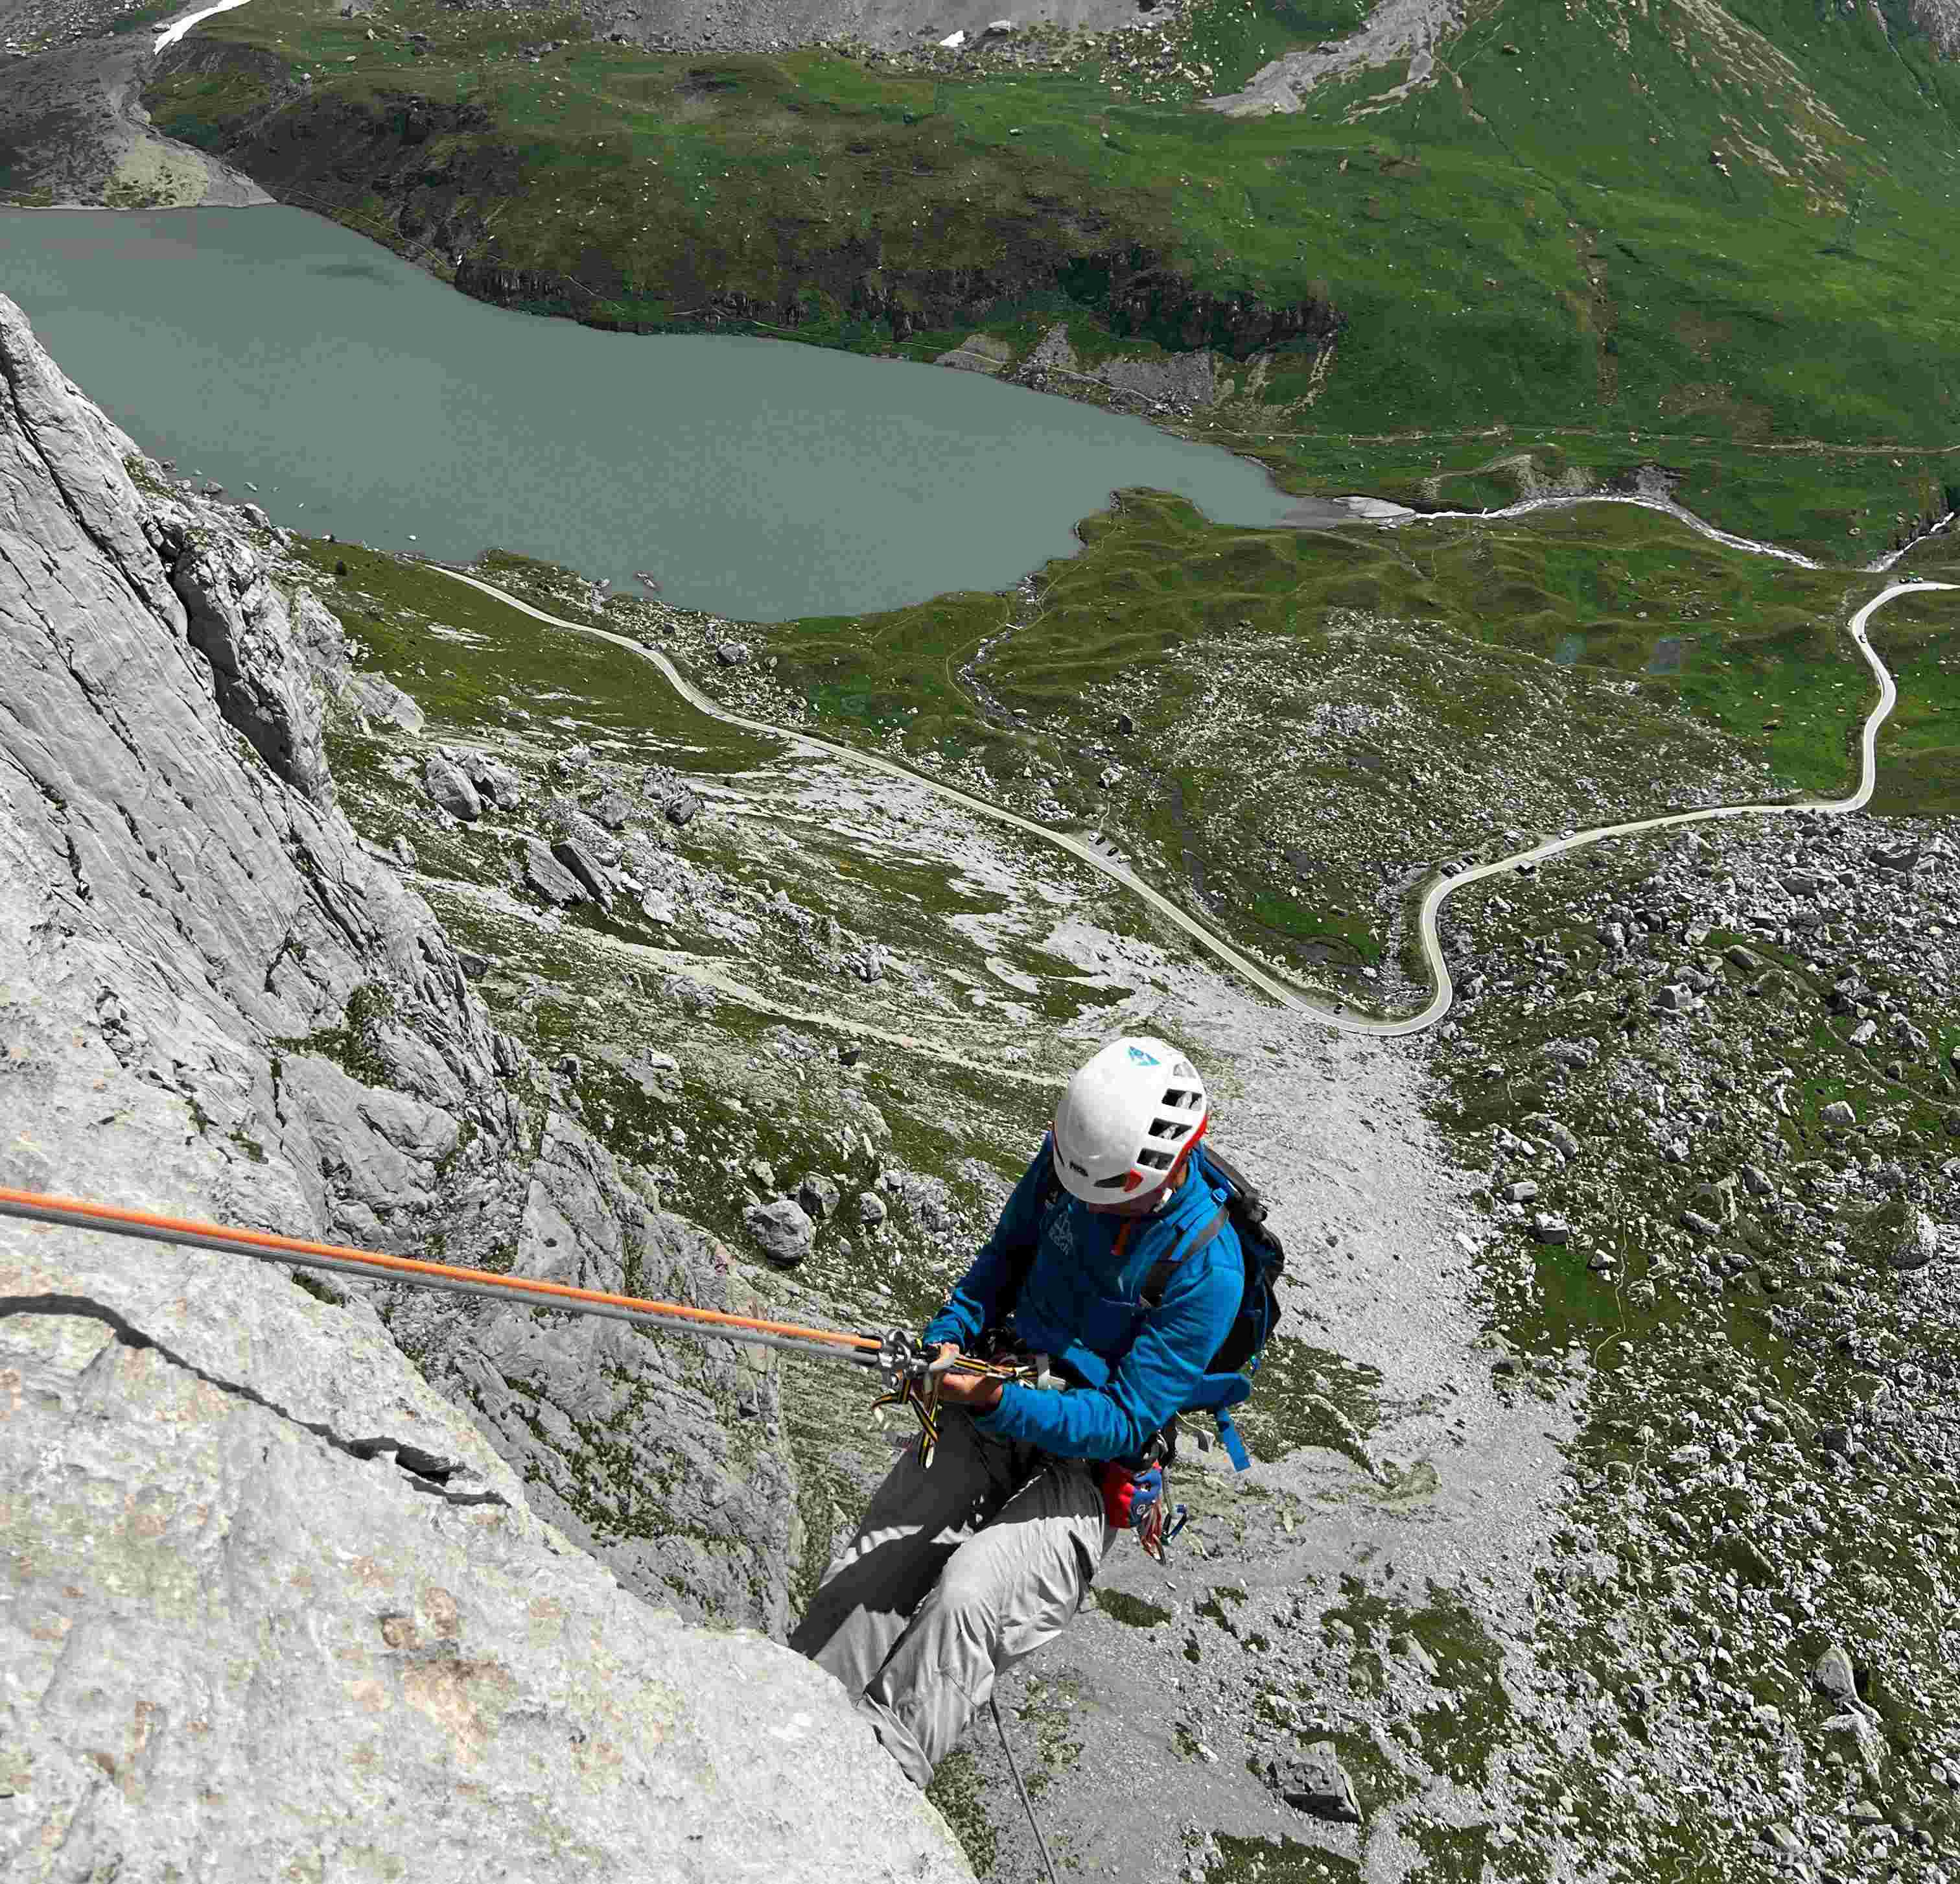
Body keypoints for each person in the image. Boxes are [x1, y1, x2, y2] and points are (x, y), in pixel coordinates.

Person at [788, 1035, 1244, 1787]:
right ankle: (793, 1703)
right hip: (999, 1377)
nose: (1092, 1207)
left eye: (1111, 1197)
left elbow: (1125, 1419)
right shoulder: (1074, 1160)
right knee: (879, 1556)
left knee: (970, 1598)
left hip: (1087, 1460)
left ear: (1163, 1167)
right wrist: (946, 1341)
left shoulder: (1207, 1267)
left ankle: (872, 1789)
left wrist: (999, 1399)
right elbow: (1000, 1262)